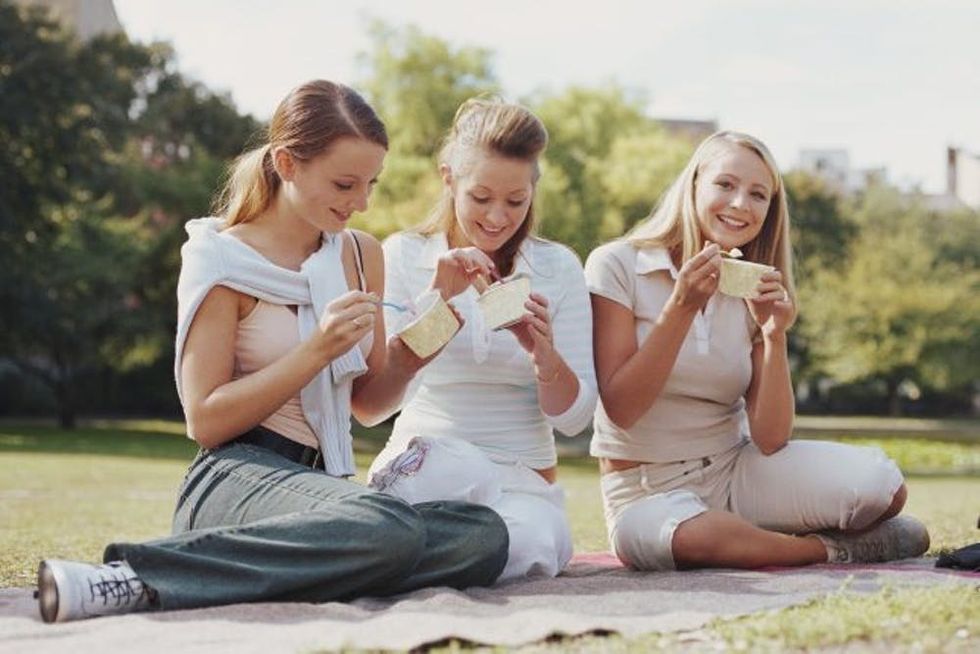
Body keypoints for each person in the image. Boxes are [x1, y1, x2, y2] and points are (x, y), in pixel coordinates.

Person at [35, 80, 508, 623]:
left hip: (325, 493)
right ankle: (132, 579)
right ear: (286, 162)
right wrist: (316, 350)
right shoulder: (221, 260)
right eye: (345, 183)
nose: (361, 203)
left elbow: (370, 403)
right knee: (387, 528)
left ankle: (296, 566)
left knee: (484, 536)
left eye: (371, 184)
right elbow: (205, 421)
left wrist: (441, 308)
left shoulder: (359, 254)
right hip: (235, 473)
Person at [584, 130, 929, 572]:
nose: (741, 204)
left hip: (734, 468)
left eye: (758, 195)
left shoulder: (751, 282)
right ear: (693, 186)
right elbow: (621, 408)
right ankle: (835, 550)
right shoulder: (617, 264)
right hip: (646, 487)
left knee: (882, 487)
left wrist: (774, 335)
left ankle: (755, 539)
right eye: (725, 185)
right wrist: (682, 306)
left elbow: (770, 438)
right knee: (694, 537)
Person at [366, 98, 597, 581]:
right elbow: (373, 407)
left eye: (516, 200)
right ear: (448, 178)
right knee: (450, 472)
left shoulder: (558, 269)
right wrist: (437, 303)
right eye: (481, 197)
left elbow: (575, 420)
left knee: (532, 542)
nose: (497, 217)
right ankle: (432, 550)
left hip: (520, 480)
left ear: (534, 189)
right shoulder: (405, 256)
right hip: (427, 468)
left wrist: (544, 356)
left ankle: (403, 557)